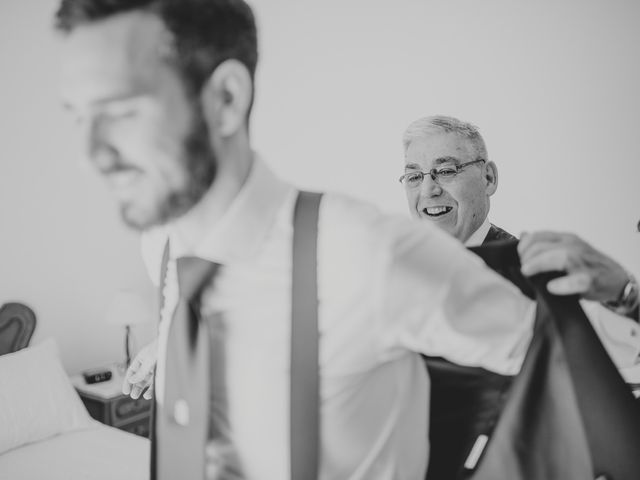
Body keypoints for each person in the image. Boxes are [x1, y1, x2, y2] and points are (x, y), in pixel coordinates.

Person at [399, 114, 640, 479]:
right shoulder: (394, 276)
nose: (428, 189)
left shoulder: (543, 271)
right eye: (415, 176)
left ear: (489, 178)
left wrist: (626, 294)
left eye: (445, 171)